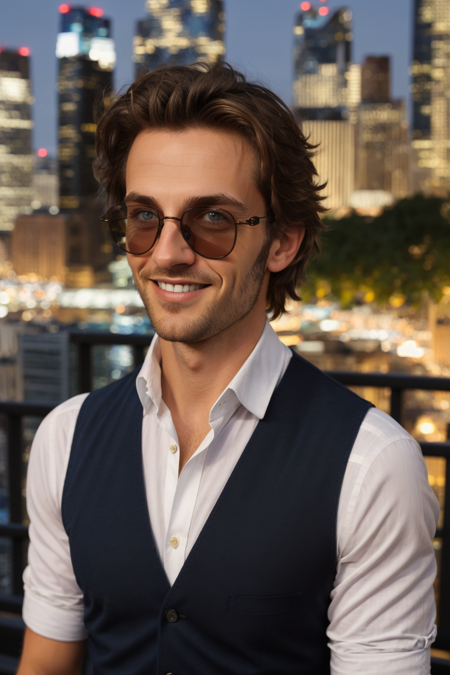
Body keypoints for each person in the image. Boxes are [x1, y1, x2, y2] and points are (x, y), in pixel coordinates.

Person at [18, 63, 438, 675]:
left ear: (282, 241)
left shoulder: (373, 466)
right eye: (143, 218)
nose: (167, 253)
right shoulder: (64, 438)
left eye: (212, 219)